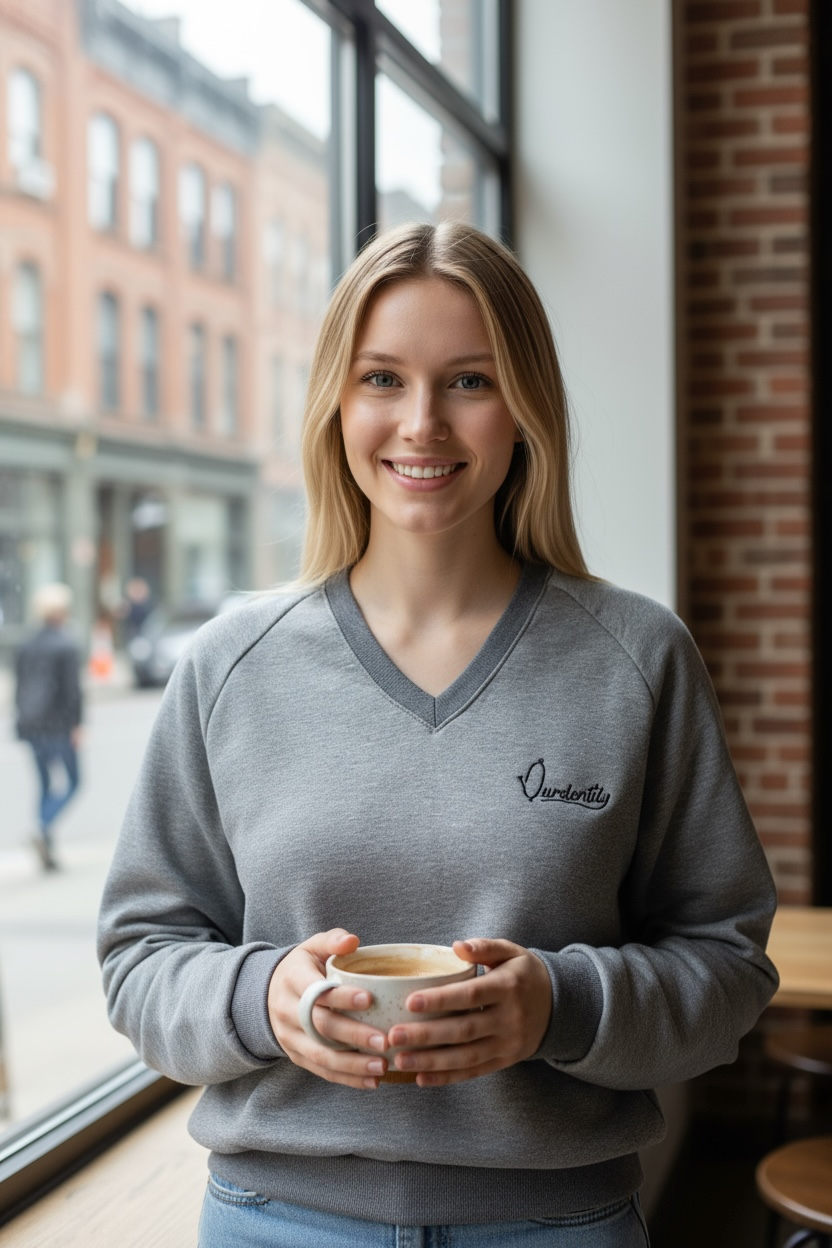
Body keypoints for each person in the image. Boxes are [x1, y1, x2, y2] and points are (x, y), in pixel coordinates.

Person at [98, 223, 778, 1247]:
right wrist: (261, 998)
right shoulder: (228, 664)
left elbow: (727, 967)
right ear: (336, 400)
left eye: (468, 381)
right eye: (382, 378)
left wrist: (559, 1005)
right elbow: (138, 957)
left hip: (559, 1227)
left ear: (525, 410)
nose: (421, 424)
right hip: (272, 1225)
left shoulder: (636, 657)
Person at [15, 582, 82, 871]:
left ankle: (45, 842)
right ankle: (43, 827)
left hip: (31, 724)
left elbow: (19, 686)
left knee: (44, 784)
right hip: (57, 724)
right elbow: (72, 691)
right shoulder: (66, 644)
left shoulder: (25, 644)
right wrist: (77, 725)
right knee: (73, 781)